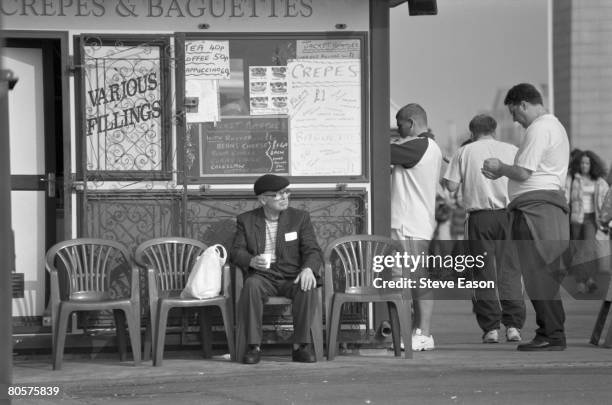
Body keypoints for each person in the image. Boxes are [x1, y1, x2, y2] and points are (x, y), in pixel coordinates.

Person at [483, 83, 570, 351]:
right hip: (542, 209)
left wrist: (500, 167)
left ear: (524, 104)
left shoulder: (540, 128)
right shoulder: (553, 127)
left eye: (515, 113)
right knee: (541, 275)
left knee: (538, 274)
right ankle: (550, 332)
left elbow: (523, 172)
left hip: (535, 211)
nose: (515, 120)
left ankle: (552, 335)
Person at [442, 114, 525, 344]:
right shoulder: (512, 149)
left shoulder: (464, 152)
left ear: (471, 132)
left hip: (479, 218)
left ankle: (490, 328)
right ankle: (514, 325)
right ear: (494, 130)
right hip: (509, 215)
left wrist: (446, 174)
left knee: (481, 274)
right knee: (511, 271)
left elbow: (451, 187)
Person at [230, 174, 323, 364]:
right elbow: (235, 251)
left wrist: (308, 270)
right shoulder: (246, 220)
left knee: (307, 286)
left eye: (286, 192)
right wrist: (251, 261)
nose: (284, 197)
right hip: (264, 277)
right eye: (278, 194)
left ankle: (301, 345)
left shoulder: (299, 218)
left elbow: (312, 250)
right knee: (251, 285)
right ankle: (253, 346)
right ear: (263, 199)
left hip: (292, 276)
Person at [391, 103, 442, 351]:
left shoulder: (419, 146)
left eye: (399, 125)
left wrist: (392, 142)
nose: (398, 130)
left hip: (409, 224)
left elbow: (381, 151)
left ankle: (423, 333)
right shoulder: (428, 147)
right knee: (415, 279)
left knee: (414, 279)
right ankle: (419, 332)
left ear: (411, 122)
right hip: (415, 223)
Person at [565, 150, 609, 293]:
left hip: (591, 219)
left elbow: (607, 200)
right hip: (576, 218)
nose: (584, 165)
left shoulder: (599, 181)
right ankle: (585, 280)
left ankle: (584, 281)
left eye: (587, 163)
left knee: (588, 249)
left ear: (592, 164)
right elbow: (566, 196)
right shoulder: (573, 178)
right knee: (577, 250)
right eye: (582, 163)